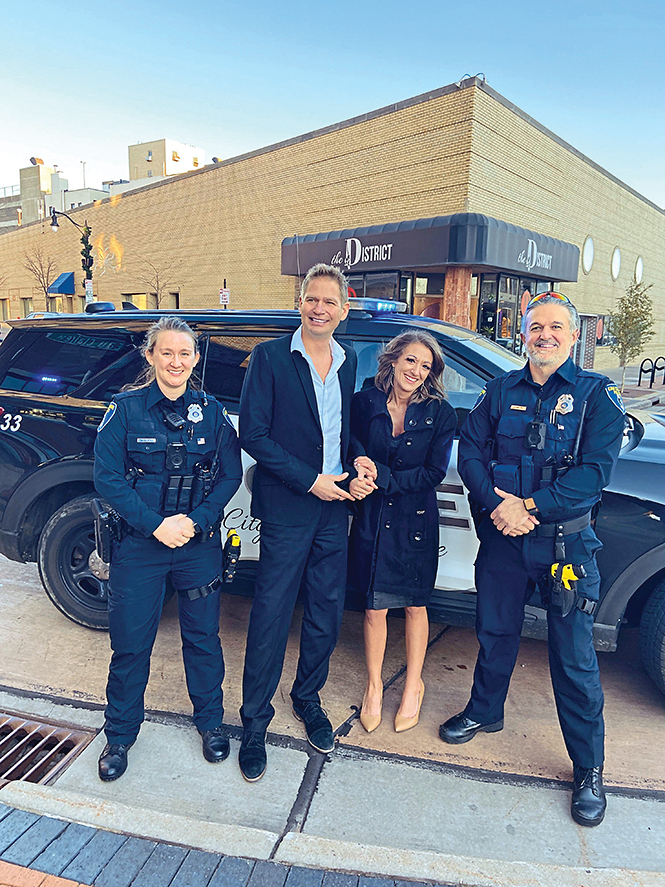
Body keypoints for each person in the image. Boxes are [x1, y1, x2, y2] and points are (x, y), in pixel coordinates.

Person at [439, 292, 626, 827]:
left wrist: (529, 506)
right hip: (503, 538)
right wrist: (499, 505)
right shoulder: (497, 392)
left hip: (564, 545)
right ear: (523, 334)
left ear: (572, 336)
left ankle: (588, 768)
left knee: (573, 656)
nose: (544, 335)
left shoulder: (596, 397)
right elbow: (470, 453)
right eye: (535, 327)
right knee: (494, 632)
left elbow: (594, 474)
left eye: (555, 328)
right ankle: (485, 711)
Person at [94, 316, 242, 781]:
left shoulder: (213, 412)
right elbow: (108, 478)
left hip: (197, 547)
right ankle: (119, 736)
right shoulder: (125, 409)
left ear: (195, 359)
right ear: (151, 355)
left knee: (202, 638)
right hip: (140, 546)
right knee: (131, 644)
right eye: (167, 353)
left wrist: (196, 522)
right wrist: (156, 525)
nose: (176, 362)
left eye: (185, 353)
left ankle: (211, 724)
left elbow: (230, 475)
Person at [238, 263, 357, 781]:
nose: (319, 308)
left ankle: (307, 698)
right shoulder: (268, 357)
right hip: (291, 503)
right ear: (300, 302)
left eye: (330, 302)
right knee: (271, 613)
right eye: (312, 299)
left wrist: (360, 462)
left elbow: (340, 431)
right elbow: (254, 436)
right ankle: (254, 723)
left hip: (336, 505)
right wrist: (311, 480)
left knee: (326, 613)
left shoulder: (348, 361)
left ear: (343, 311)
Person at [347, 332, 456, 733]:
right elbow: (349, 443)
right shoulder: (365, 402)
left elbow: (433, 473)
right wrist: (358, 462)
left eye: (425, 366)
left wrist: (383, 476)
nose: (416, 371)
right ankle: (374, 686)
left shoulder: (441, 413)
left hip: (415, 518)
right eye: (411, 361)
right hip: (373, 515)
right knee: (374, 606)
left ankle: (413, 686)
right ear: (393, 360)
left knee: (414, 604)